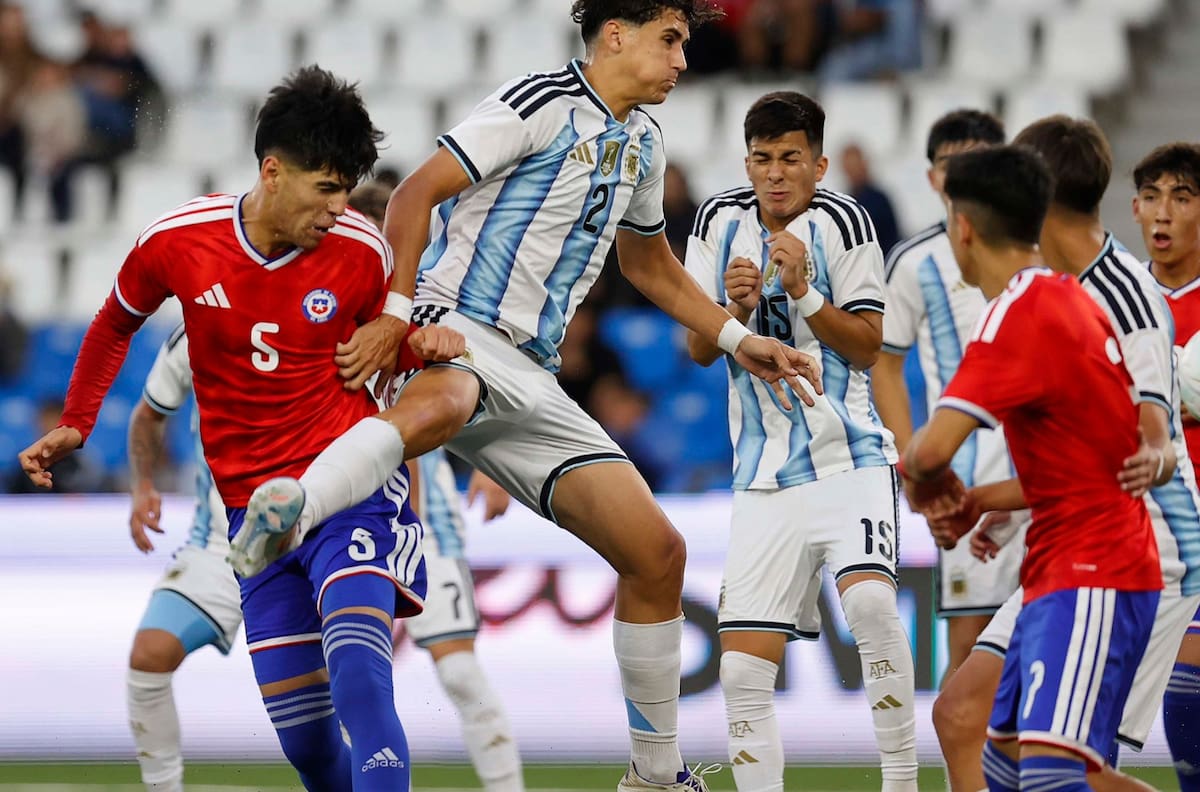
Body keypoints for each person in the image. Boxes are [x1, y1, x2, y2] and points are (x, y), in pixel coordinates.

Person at [229, 4, 824, 790]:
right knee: (442, 405)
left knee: (657, 555)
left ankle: (655, 775)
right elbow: (411, 198)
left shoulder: (643, 143)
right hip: (456, 326)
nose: (682, 61)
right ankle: (295, 509)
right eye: (671, 40)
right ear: (617, 33)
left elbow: (649, 268)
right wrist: (396, 320)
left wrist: (738, 340)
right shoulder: (536, 103)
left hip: (532, 377)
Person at [18, 65, 466, 791]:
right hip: (250, 523)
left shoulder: (362, 249)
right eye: (325, 189)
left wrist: (420, 341)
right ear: (272, 171)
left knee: (363, 683)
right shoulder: (179, 242)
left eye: (347, 191)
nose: (337, 209)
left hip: (346, 490)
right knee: (313, 753)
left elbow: (387, 346)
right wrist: (76, 423)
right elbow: (113, 323)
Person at [930, 118, 1200, 792]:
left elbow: (1141, 451)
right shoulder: (1059, 286)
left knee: (1052, 766)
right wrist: (1002, 504)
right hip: (1070, 542)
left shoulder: (1125, 300)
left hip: (1137, 552)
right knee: (975, 726)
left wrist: (970, 494)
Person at [684, 91, 916, 792]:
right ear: (746, 162)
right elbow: (697, 349)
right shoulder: (715, 220)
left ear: (818, 162)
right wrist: (733, 310)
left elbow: (872, 347)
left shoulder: (847, 222)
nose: (776, 173)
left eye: (791, 159)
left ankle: (902, 784)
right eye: (762, 159)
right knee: (742, 669)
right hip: (761, 478)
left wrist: (806, 294)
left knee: (873, 606)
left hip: (849, 459)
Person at [349, 179, 526, 792]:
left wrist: (492, 461)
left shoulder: (430, 308)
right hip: (347, 513)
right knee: (348, 679)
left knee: (459, 675)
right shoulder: (333, 307)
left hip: (428, 519)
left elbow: (490, 378)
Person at [871, 109, 1018, 710]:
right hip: (964, 479)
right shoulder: (914, 261)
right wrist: (916, 465)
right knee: (971, 655)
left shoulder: (1037, 252)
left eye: (978, 160)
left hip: (1043, 473)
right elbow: (883, 364)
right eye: (951, 164)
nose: (964, 175)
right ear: (932, 178)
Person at [124, 324, 242, 792]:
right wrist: (142, 485)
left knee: (332, 690)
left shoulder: (325, 303)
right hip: (220, 544)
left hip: (309, 541)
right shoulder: (195, 327)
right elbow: (149, 414)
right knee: (149, 655)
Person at [1134, 141, 1200, 791]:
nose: (1164, 212)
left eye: (1182, 196)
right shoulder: (1116, 302)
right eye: (1153, 196)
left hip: (1195, 532)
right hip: (1128, 531)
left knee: (1186, 687)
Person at [840, 142, 899, 254]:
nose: (852, 172)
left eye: (855, 166)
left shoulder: (879, 201)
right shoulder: (845, 200)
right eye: (849, 167)